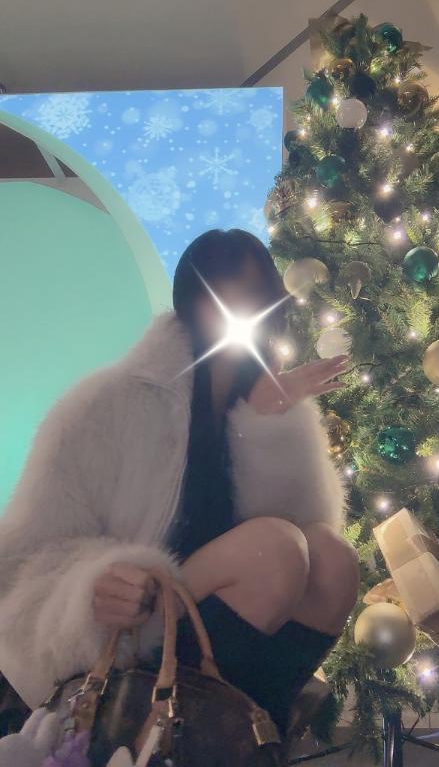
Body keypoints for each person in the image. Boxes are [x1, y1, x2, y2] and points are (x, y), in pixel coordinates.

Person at [0, 229, 359, 742]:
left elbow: (307, 537)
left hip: (228, 625)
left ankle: (240, 740)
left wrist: (269, 422)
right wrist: (90, 588)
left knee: (332, 559)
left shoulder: (268, 399)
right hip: (129, 638)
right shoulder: (108, 403)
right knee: (274, 550)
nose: (243, 313)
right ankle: (166, 739)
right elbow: (19, 563)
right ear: (193, 302)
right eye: (226, 297)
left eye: (257, 298)